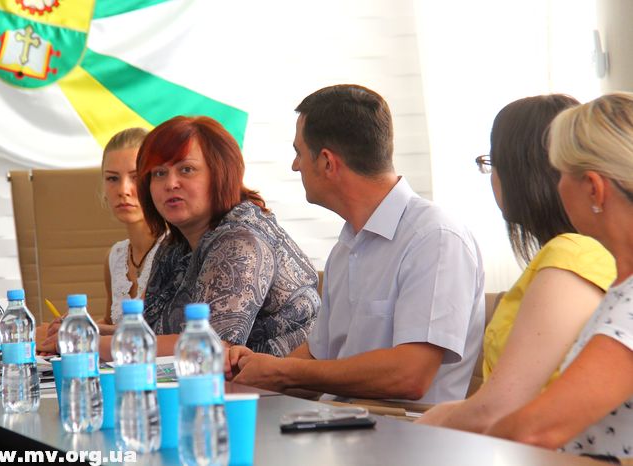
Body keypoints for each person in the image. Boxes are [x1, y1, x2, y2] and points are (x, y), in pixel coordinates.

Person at [227, 84, 485, 403]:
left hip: (404, 430)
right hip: (338, 423)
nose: (295, 166)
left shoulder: (436, 238)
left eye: (298, 152)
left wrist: (282, 372)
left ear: (327, 162)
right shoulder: (346, 247)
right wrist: (254, 370)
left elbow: (410, 375)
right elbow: (319, 360)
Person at [417, 96, 616, 431]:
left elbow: (499, 408)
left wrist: (432, 424)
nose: (492, 177)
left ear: (523, 171)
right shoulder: (574, 254)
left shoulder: (572, 256)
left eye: (493, 162)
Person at [97, 115, 319, 359]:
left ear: (220, 173)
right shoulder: (174, 245)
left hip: (284, 382)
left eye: (186, 169)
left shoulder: (241, 241)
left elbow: (209, 345)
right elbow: (151, 334)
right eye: (159, 173)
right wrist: (89, 331)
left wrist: (88, 344)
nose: (171, 183)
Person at [486, 92, 633, 457]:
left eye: (562, 173)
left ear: (594, 189)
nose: (557, 186)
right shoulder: (620, 287)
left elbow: (535, 431)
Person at [38, 128, 161, 354]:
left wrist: (79, 330)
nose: (123, 190)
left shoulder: (174, 250)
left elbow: (153, 333)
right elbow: (112, 325)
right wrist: (74, 324)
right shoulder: (115, 256)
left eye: (135, 177)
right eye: (112, 178)